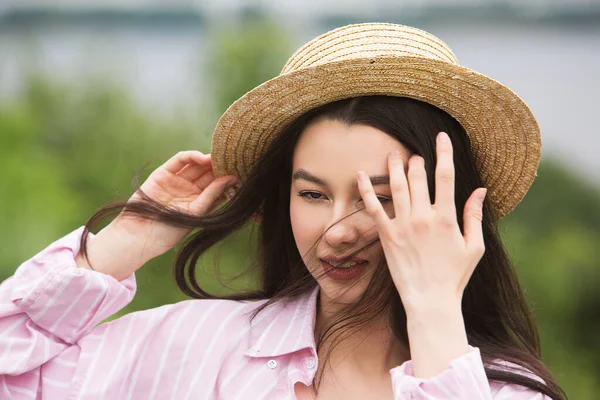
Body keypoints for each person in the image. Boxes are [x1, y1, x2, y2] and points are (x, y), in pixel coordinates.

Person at [0, 23, 566, 400]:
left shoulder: (503, 391)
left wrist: (436, 311)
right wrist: (126, 241)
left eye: (380, 199)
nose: (336, 231)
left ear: (445, 212)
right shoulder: (199, 343)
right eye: (313, 194)